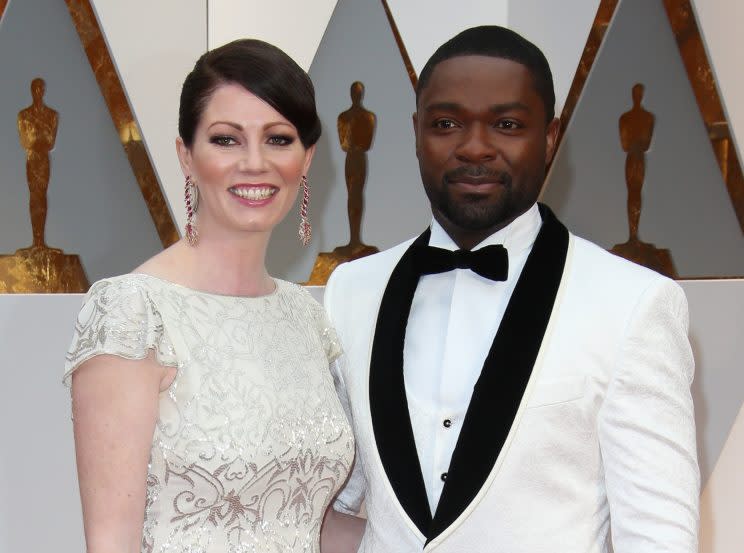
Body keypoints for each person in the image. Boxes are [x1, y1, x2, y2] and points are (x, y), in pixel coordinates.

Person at [324, 26, 699, 552]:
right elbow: (331, 500)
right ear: (416, 132)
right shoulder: (351, 290)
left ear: (548, 137)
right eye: (447, 123)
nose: (474, 147)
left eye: (506, 124)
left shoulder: (633, 302)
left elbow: (658, 535)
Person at [64, 39, 363, 553]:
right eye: (226, 140)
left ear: (307, 157)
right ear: (186, 154)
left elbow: (315, 522)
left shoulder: (305, 318)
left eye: (278, 139)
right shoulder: (134, 313)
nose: (254, 163)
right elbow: (111, 541)